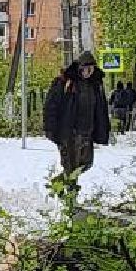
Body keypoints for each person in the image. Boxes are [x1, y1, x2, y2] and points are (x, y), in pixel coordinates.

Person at [43, 51, 111, 191]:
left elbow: (101, 108)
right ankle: (70, 196)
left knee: (86, 163)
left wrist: (103, 130)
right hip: (68, 132)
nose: (87, 72)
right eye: (85, 69)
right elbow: (51, 105)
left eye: (90, 69)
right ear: (79, 68)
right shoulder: (66, 82)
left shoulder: (95, 85)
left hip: (87, 132)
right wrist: (50, 128)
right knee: (70, 166)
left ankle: (58, 185)